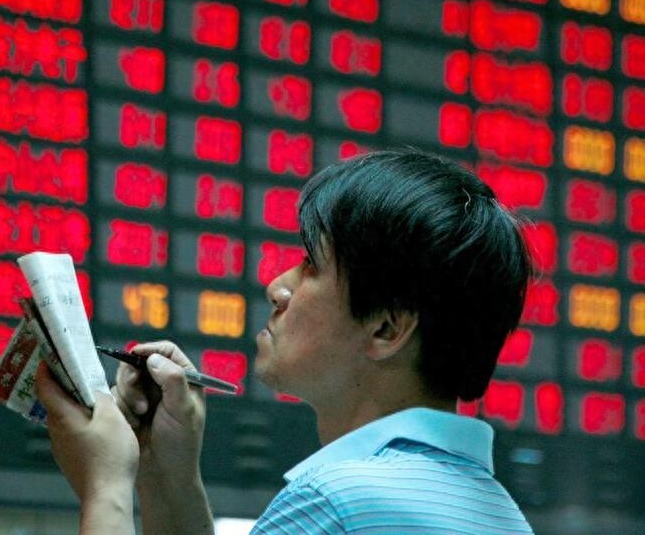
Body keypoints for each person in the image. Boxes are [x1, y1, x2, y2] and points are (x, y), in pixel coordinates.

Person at [35, 148, 535, 534]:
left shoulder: (334, 502)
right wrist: (166, 475)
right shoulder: (503, 515)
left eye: (311, 265)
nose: (277, 287)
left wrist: (106, 487)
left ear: (386, 329)